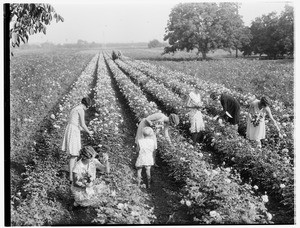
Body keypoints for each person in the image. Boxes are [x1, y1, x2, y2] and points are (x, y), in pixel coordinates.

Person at [62, 97, 94, 183]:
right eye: (88, 106)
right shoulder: (81, 110)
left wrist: (84, 129)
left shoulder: (75, 108)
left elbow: (75, 123)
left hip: (72, 129)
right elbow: (83, 124)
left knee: (74, 154)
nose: (87, 109)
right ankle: (71, 177)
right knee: (74, 155)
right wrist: (89, 132)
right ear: (87, 105)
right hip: (73, 131)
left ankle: (73, 174)